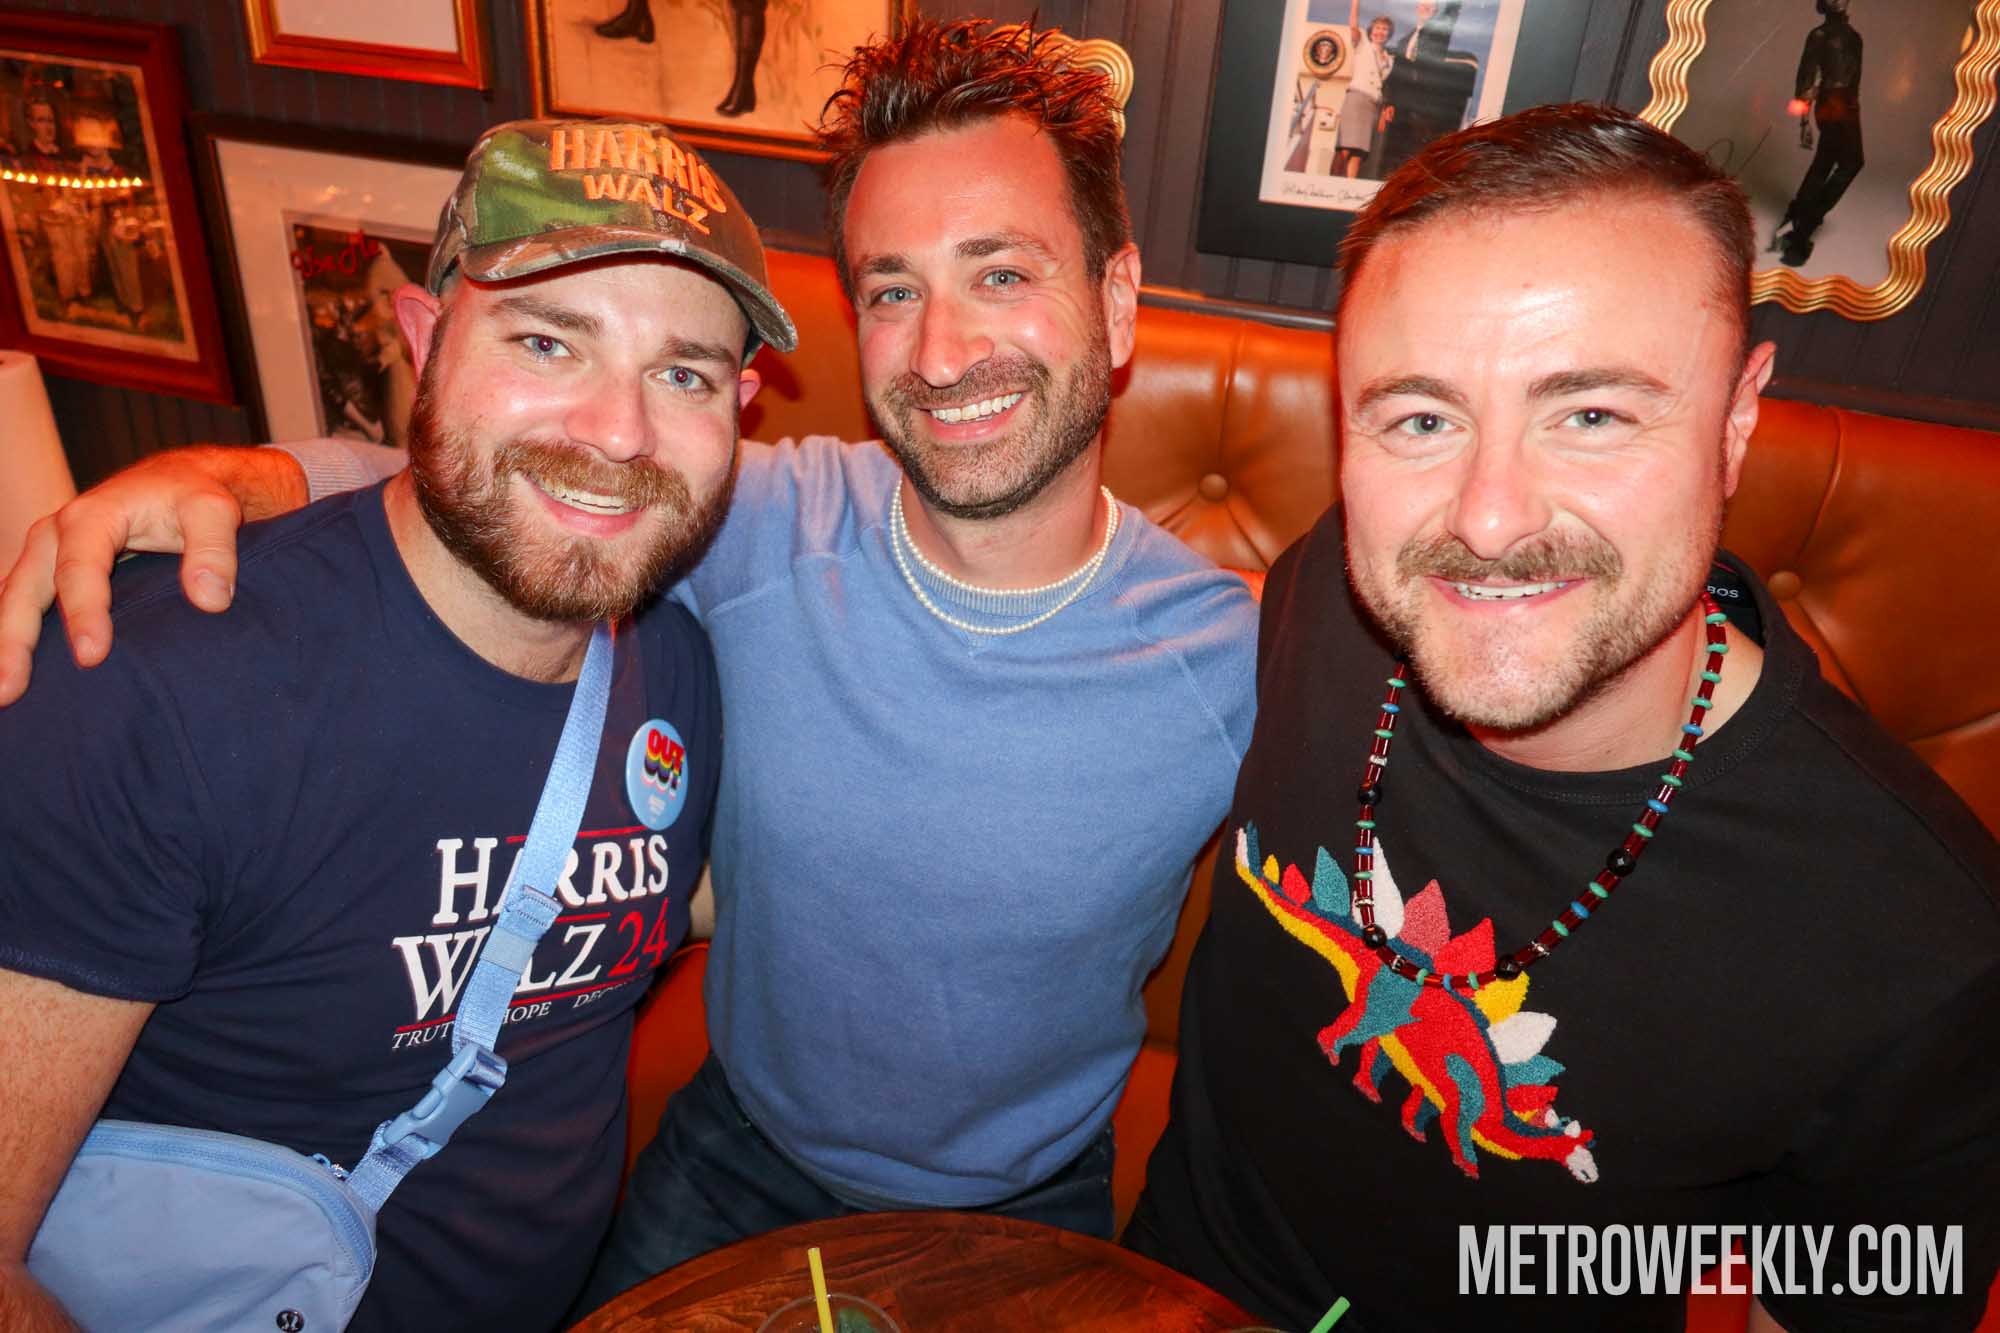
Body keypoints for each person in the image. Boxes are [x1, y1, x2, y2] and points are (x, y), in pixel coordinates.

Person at [0, 18, 1259, 1316]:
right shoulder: (755, 522)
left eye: (999, 273)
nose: (941, 352)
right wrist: (247, 475)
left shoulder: (1237, 659)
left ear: (1115, 303)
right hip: (735, 1151)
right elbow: (509, 489)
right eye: (892, 290)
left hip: (1033, 1194)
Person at [1126, 103, 2000, 1332]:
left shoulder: (1924, 949)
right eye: (1420, 418)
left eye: (1589, 414)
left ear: (1735, 421)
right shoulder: (1327, 584)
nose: (1485, 520)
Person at [0, 115, 798, 1332]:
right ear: (425, 341)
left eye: (681, 374)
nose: (616, 432)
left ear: (739, 407)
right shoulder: (145, 689)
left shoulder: (679, 668)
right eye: (547, 341)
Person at [1776, 0, 1864, 269]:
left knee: (1826, 159)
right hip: (1833, 104)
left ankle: (1800, 211)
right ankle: (1807, 222)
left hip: (1847, 104)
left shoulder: (1853, 35)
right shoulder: (1820, 35)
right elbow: (1805, 78)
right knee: (1851, 163)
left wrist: (1853, 106)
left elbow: (1854, 79)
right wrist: (1804, 121)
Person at [1377, 1, 1468, 176]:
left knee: (1417, 148)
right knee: (1395, 150)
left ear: (1435, 11)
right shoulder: (1405, 40)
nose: (1426, 8)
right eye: (1423, 5)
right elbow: (1396, 74)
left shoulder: (1438, 34)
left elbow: (1451, 12)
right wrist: (1389, 103)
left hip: (1424, 104)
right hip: (1402, 105)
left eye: (1430, 6)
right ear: (1417, 8)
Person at [1334, 3, 1396, 180]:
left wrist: (1384, 110)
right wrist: (1355, 3)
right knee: (1344, 148)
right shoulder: (1362, 44)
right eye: (1377, 28)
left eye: (1384, 29)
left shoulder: (1390, 59)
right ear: (1371, 30)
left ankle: (1349, 186)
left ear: (1389, 34)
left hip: (1372, 106)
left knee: (1359, 152)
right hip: (1355, 100)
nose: (1380, 32)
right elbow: (1353, 24)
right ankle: (1331, 183)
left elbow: (1384, 86)